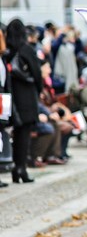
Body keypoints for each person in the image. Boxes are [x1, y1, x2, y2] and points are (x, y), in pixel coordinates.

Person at [5, 19, 43, 183]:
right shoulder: (26, 49)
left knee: (13, 133)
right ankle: (20, 168)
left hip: (11, 96)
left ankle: (16, 167)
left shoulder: (6, 51)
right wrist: (39, 89)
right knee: (24, 134)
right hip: (26, 96)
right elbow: (36, 73)